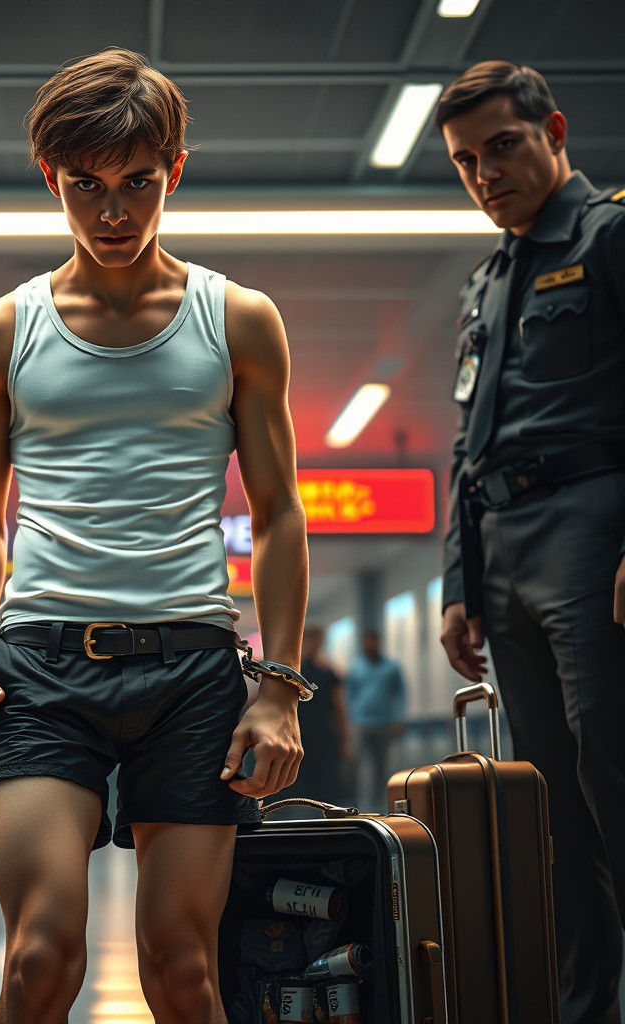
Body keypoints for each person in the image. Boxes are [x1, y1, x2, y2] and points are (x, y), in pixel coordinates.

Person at [0, 48, 309, 1023]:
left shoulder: (237, 320)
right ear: (51, 180)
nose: (112, 212)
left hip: (191, 668)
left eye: (137, 183)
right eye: (86, 187)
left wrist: (277, 688)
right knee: (38, 958)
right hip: (42, 670)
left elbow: (277, 514)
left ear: (174, 170)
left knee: (184, 970)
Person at [436, 60, 625, 1024]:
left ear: (553, 129)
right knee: (550, 808)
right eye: (467, 161)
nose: (486, 173)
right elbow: (469, 441)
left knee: (613, 776)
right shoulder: (490, 279)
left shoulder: (611, 233)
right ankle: (588, 1009)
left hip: (594, 532)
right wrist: (456, 584)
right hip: (504, 553)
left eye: (502, 146)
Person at [266, 625, 351, 808]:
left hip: (315, 734)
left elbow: (340, 709)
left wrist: (344, 740)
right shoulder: (293, 672)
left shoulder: (325, 672)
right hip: (299, 733)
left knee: (321, 786)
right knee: (300, 784)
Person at [343, 629, 406, 810]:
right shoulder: (356, 668)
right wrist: (348, 722)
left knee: (381, 769)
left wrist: (398, 718)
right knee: (354, 766)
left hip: (384, 724)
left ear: (378, 642)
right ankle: (353, 804)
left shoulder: (391, 667)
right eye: (367, 642)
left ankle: (378, 806)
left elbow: (400, 694)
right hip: (360, 724)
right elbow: (348, 696)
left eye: (373, 641)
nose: (370, 645)